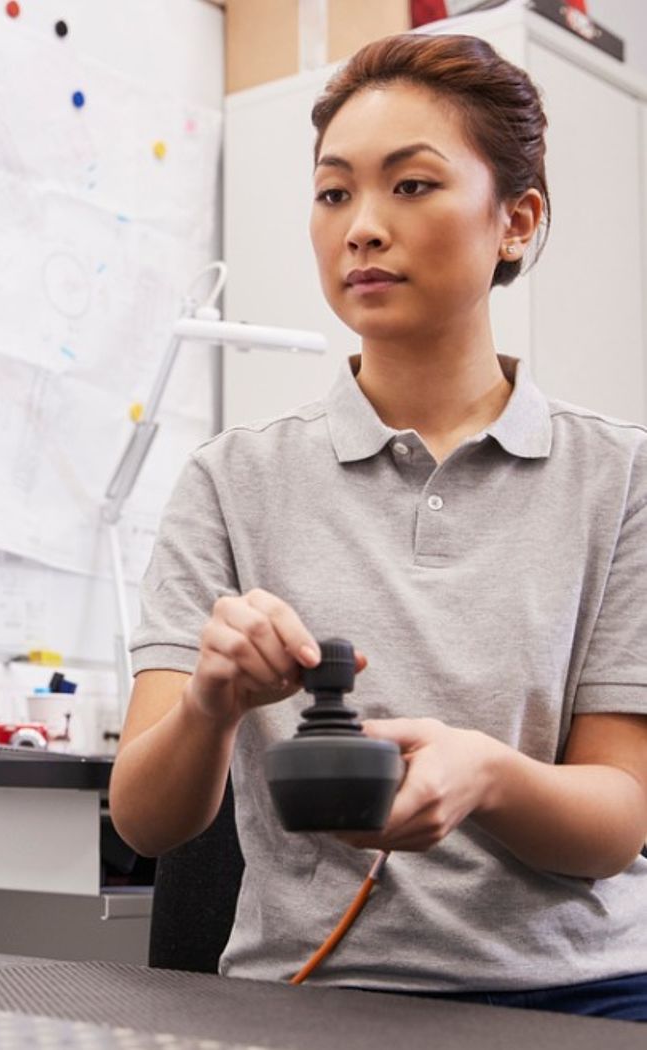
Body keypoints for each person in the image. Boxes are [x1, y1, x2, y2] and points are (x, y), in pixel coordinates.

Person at [109, 33, 647, 1021]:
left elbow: (617, 821)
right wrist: (210, 705)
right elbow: (145, 819)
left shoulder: (621, 479)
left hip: (579, 995)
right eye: (333, 194)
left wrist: (486, 774)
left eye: (411, 187)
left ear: (517, 220)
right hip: (312, 998)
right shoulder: (232, 481)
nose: (361, 228)